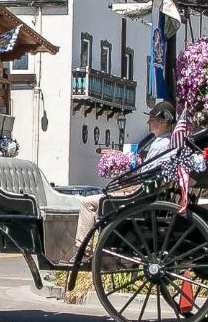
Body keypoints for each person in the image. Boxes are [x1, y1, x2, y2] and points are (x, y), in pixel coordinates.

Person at [74, 100, 177, 248]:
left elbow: (145, 175)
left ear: (162, 122)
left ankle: (83, 249)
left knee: (87, 203)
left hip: (140, 197)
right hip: (148, 193)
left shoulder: (160, 144)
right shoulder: (167, 143)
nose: (148, 122)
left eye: (152, 119)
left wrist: (127, 181)